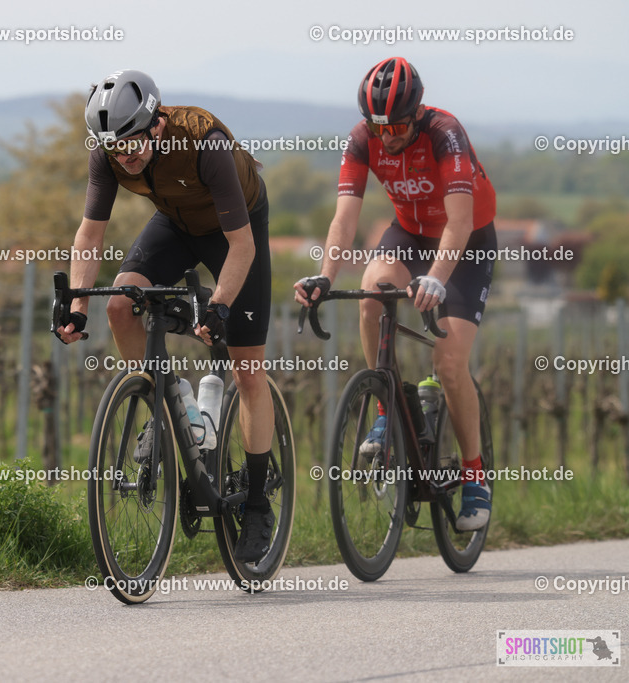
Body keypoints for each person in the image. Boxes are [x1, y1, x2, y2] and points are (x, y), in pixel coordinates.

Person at [55, 69, 275, 561]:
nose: (124, 157)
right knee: (120, 306)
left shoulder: (205, 144)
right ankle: (163, 405)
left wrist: (218, 306)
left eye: (132, 143)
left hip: (235, 231)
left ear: (155, 124)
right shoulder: (110, 152)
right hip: (175, 224)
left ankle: (259, 503)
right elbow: (89, 237)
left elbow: (242, 246)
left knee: (248, 367)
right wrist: (75, 306)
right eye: (114, 149)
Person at [294, 57, 496, 531]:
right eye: (378, 127)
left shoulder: (445, 133)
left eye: (398, 126)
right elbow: (344, 218)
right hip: (408, 233)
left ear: (417, 113)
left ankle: (474, 475)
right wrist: (324, 275)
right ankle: (389, 407)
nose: (387, 137)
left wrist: (438, 277)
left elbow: (461, 222)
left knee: (448, 362)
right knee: (370, 297)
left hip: (464, 242)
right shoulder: (363, 139)